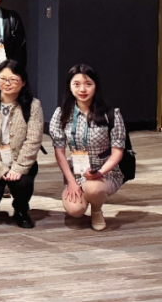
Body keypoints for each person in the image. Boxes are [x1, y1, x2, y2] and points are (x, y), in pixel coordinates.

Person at [50, 64, 126, 231]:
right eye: (76, 84)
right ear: (69, 87)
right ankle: (82, 194)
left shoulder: (111, 114)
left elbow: (117, 152)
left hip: (105, 171)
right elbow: (59, 152)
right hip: (76, 171)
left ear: (95, 86)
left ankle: (97, 210)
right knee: (75, 210)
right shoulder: (61, 114)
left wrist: (100, 172)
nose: (82, 89)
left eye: (88, 84)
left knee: (93, 188)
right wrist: (71, 182)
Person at [0, 59, 42, 228]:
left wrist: (18, 168)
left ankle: (21, 209)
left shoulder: (33, 105)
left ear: (23, 82)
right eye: (3, 79)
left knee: (23, 184)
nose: (7, 83)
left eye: (13, 79)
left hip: (20, 160)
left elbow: (33, 140)